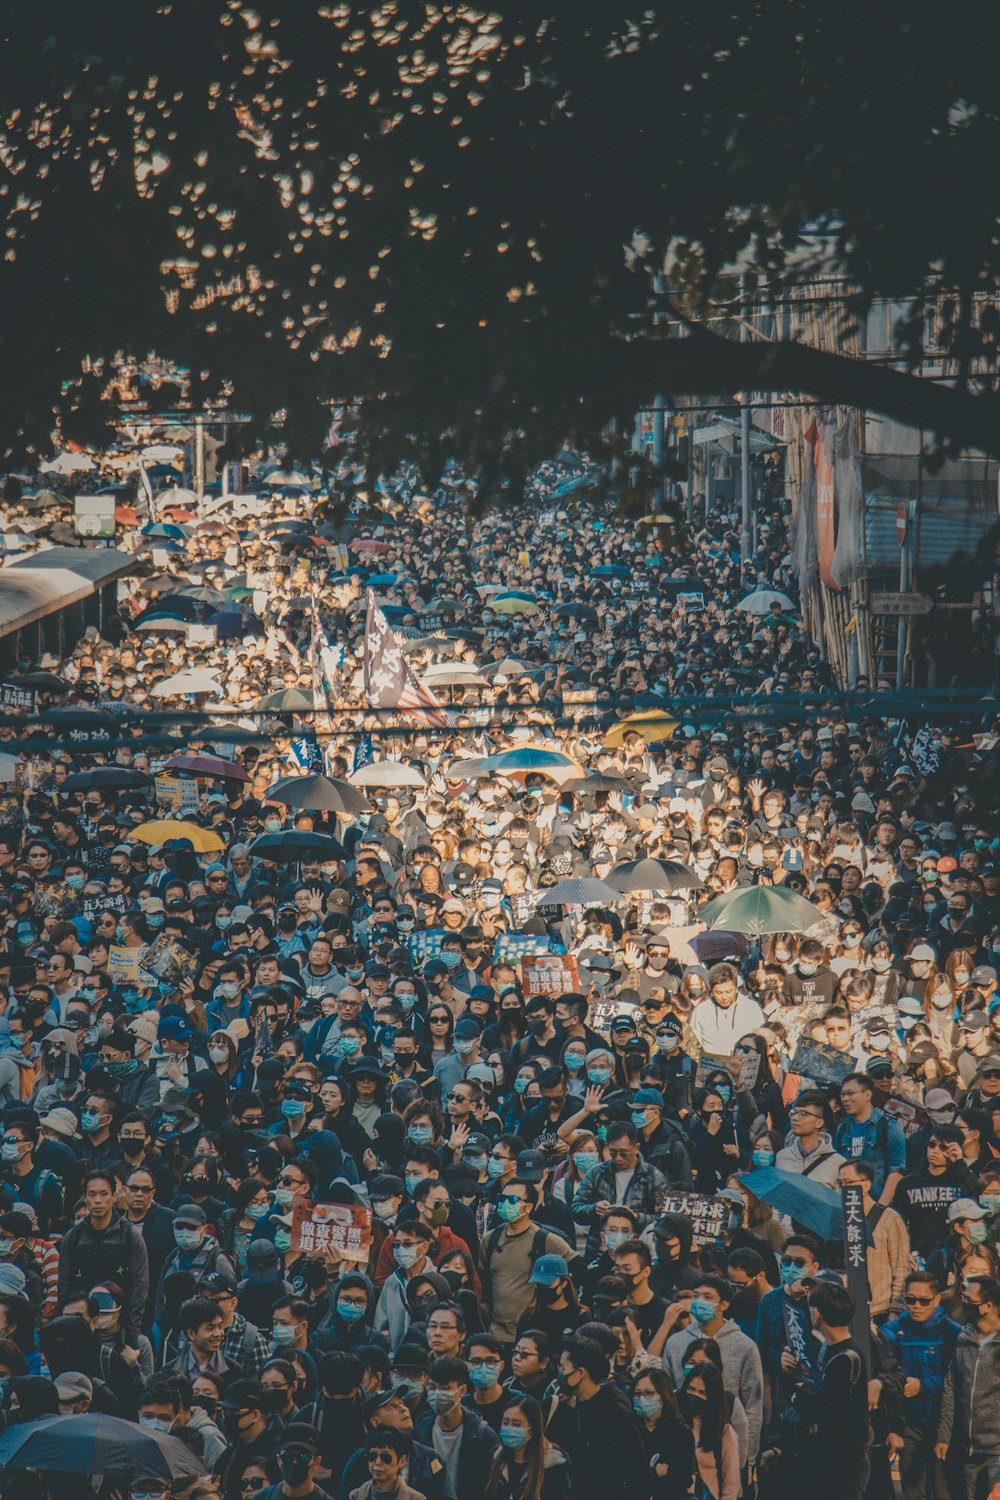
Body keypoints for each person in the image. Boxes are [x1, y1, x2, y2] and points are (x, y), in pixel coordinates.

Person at [761, 1280, 872, 1500]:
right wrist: (788, 1373)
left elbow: (827, 1413)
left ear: (817, 1312)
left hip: (840, 1467)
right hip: (822, 1463)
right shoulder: (826, 1348)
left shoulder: (846, 1358)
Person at [882, 1270, 961, 1500]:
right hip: (908, 1424)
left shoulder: (952, 1333)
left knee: (944, 1491)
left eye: (924, 1300)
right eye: (910, 1299)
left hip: (942, 1426)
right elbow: (885, 1376)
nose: (916, 1306)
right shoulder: (892, 1332)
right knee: (913, 1491)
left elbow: (957, 1382)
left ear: (936, 1300)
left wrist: (924, 1386)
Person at [555, 1335, 651, 1500]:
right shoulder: (578, 1405)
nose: (560, 1375)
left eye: (563, 1369)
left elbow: (637, 1469)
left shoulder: (614, 1411)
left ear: (581, 1373)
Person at [57, 1168, 150, 1333]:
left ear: (114, 1197)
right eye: (92, 1194)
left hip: (119, 1325)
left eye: (103, 1194)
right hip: (80, 1327)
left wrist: (132, 1329)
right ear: (85, 1198)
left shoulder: (130, 1236)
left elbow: (139, 1286)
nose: (98, 1200)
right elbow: (64, 1285)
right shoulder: (72, 1238)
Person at [935, 1273, 1000, 1500]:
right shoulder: (963, 1340)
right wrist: (943, 1435)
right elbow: (951, 1387)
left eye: (968, 1299)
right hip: (968, 1450)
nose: (963, 1303)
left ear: (987, 1306)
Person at [485, 1394, 572, 1500]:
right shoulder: (495, 1457)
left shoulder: (553, 1466)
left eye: (517, 1424)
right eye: (506, 1422)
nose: (509, 1429)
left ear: (532, 1428)